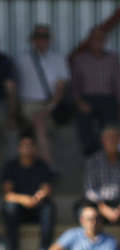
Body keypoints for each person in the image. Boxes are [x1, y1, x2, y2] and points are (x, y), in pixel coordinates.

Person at [16, 24, 70, 169]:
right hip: (28, 104)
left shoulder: (58, 59)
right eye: (38, 37)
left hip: (51, 104)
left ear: (50, 39)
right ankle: (48, 166)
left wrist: (49, 107)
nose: (42, 40)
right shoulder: (22, 59)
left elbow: (60, 88)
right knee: (39, 125)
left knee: (41, 126)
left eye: (45, 37)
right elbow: (15, 86)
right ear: (32, 39)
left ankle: (43, 167)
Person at [71, 26, 120, 156]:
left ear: (105, 40)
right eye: (94, 38)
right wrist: (79, 102)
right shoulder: (80, 59)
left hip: (107, 98)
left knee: (110, 128)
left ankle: (108, 154)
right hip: (87, 98)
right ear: (89, 40)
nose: (98, 41)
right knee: (84, 125)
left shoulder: (113, 58)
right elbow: (74, 85)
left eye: (101, 38)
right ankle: (91, 155)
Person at [2, 131, 55, 250]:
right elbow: (8, 194)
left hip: (37, 206)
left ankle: (44, 249)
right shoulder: (11, 166)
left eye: (30, 145)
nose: (27, 148)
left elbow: (46, 189)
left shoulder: (42, 166)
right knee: (9, 207)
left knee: (49, 207)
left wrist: (36, 198)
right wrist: (24, 199)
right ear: (19, 148)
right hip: (18, 209)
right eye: (24, 145)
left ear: (35, 148)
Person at [83, 124, 120, 224]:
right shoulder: (93, 161)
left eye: (115, 138)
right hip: (98, 203)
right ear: (102, 140)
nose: (112, 141)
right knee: (86, 213)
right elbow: (89, 189)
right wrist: (103, 208)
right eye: (108, 138)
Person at [47, 200, 118, 250]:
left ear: (101, 220)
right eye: (89, 219)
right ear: (82, 220)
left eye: (96, 218)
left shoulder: (110, 241)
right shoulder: (72, 234)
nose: (93, 222)